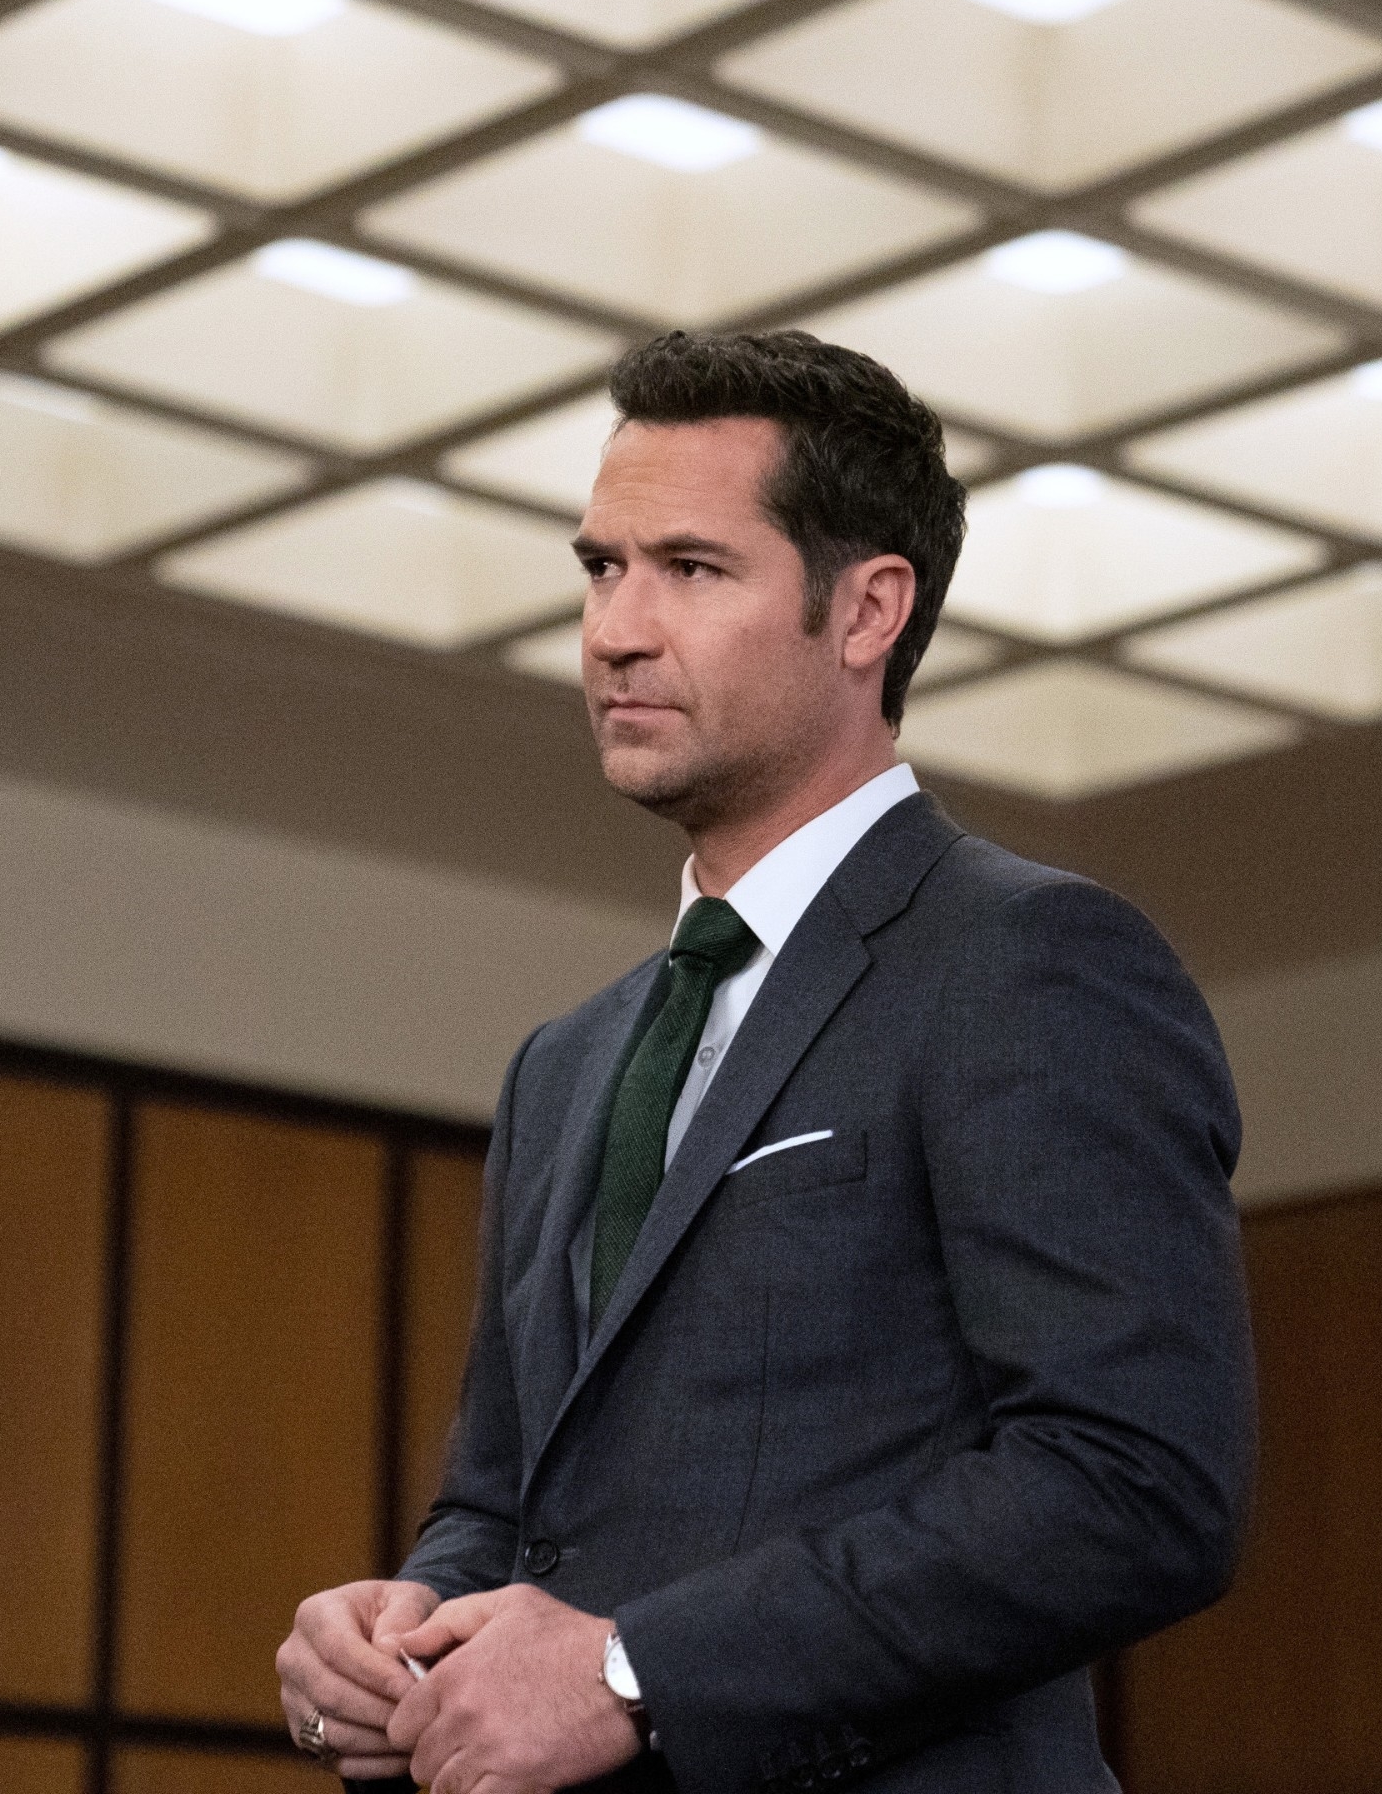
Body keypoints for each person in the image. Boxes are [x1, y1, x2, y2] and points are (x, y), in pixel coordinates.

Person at [274, 329, 1255, 1794]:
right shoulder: (567, 1063)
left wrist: (632, 1673)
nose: (616, 628)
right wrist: (400, 1635)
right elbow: (508, 1504)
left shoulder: (1031, 961)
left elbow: (1132, 1484)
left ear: (867, 611)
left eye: (692, 568)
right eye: (602, 568)